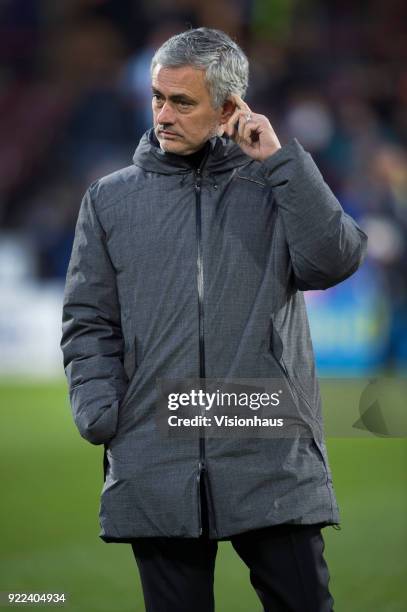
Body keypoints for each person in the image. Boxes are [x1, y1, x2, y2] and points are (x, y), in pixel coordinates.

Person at [61, 27, 367, 612]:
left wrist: (280, 162)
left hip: (267, 442)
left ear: (230, 107)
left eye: (182, 101)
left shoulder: (273, 181)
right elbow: (88, 319)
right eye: (158, 97)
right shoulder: (109, 199)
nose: (163, 114)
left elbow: (336, 260)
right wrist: (101, 408)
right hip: (156, 448)